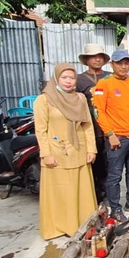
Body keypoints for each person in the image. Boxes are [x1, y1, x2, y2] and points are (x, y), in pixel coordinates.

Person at [34, 63, 98, 239]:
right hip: (57, 153)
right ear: (56, 78)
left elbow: (87, 125)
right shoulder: (44, 100)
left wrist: (91, 149)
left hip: (79, 150)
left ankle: (83, 224)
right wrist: (46, 154)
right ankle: (61, 227)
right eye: (64, 78)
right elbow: (40, 130)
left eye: (72, 78)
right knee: (61, 192)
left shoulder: (80, 98)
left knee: (80, 190)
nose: (68, 82)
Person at [92, 50, 129, 219]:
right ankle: (115, 207)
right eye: (120, 63)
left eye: (126, 63)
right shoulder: (104, 84)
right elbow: (98, 111)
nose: (124, 66)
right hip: (118, 138)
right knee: (115, 175)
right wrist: (109, 134)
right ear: (112, 64)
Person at [76, 43, 111, 200]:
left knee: (110, 166)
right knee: (93, 164)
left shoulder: (110, 77)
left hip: (110, 128)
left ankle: (109, 197)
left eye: (100, 57)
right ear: (87, 59)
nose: (97, 60)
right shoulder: (79, 80)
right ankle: (94, 197)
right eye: (93, 57)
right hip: (90, 128)